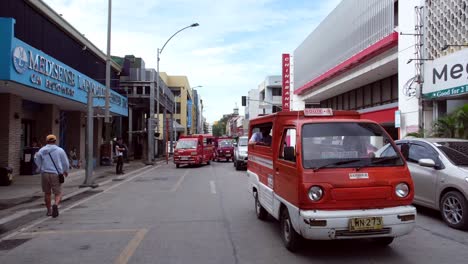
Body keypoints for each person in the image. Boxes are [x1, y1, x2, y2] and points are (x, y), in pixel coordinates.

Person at [34, 134, 69, 218]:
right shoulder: (60, 150)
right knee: (58, 193)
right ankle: (55, 205)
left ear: (47, 141)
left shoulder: (41, 150)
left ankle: (49, 210)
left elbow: (37, 160)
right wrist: (66, 171)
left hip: (45, 174)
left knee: (47, 193)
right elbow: (65, 162)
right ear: (55, 141)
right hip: (56, 174)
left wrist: (40, 168)